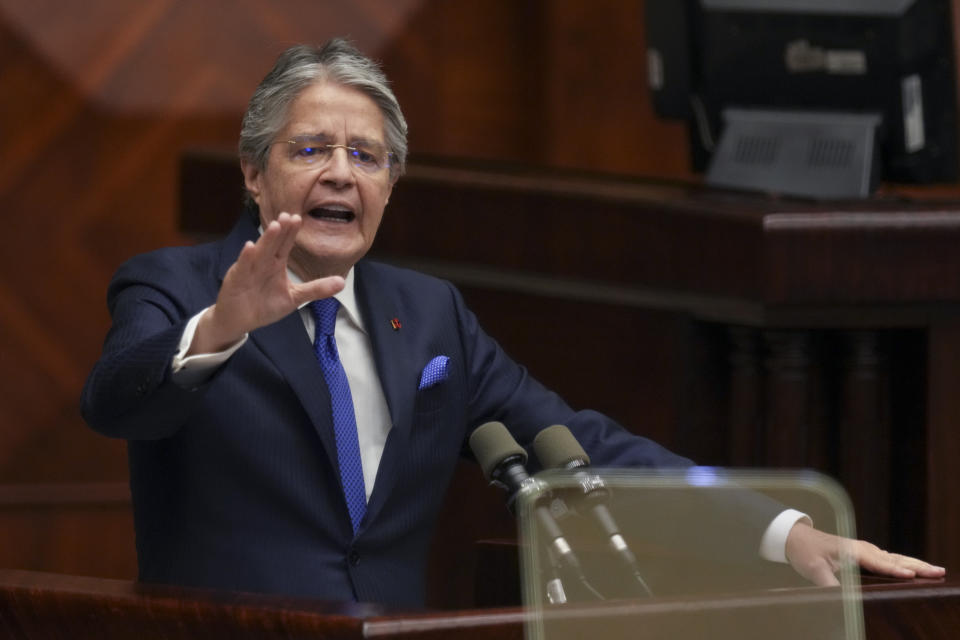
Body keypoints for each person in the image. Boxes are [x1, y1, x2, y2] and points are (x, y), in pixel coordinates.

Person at [81, 39, 944, 607]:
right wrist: (222, 329)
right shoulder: (173, 284)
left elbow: (582, 445)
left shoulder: (427, 317)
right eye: (311, 150)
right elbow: (120, 403)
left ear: (389, 186)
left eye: (367, 156)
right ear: (253, 175)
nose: (341, 173)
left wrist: (784, 529)